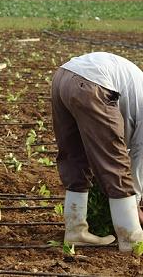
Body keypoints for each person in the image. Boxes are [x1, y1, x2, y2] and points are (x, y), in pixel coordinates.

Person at [51, 51, 143, 253]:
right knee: (114, 163)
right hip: (93, 83)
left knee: (75, 156)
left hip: (63, 77)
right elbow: (137, 154)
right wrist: (135, 202)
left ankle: (75, 230)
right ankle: (132, 238)